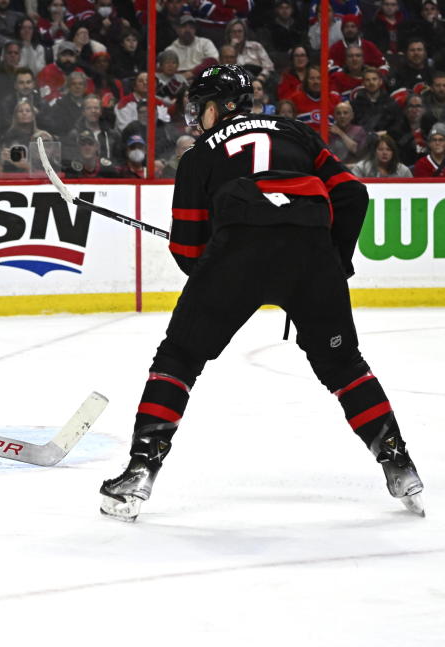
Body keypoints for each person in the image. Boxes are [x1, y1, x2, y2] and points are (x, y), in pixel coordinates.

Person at [99, 64, 425, 522]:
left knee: (179, 358)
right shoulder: (299, 133)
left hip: (237, 254)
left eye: (202, 107)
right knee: (344, 364)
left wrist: (220, 265)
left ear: (218, 107)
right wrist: (335, 260)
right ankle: (400, 465)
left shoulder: (197, 156)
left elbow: (189, 250)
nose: (197, 116)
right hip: (312, 252)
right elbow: (352, 195)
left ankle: (139, 472)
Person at [165, 15, 219, 80]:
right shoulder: (170, 50)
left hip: (202, 79)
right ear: (177, 29)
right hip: (178, 82)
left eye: (191, 27)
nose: (188, 30)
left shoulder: (205, 43)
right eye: (184, 26)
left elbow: (214, 61)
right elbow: (162, 69)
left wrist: (192, 73)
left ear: (195, 30)